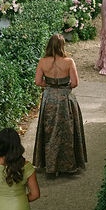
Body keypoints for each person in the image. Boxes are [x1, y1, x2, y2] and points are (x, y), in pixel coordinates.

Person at [33, 33, 87, 178]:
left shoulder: (42, 62)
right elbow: (75, 83)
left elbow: (38, 82)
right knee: (67, 131)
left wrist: (49, 85)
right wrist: (64, 87)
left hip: (49, 98)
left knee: (49, 132)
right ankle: (68, 167)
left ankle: (50, 166)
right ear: (62, 46)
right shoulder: (69, 62)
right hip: (65, 99)